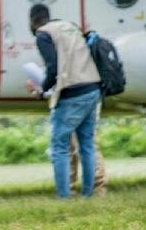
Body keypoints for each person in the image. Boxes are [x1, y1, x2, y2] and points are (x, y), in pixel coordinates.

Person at [24, 3, 101, 199]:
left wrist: (42, 89)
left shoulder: (43, 34)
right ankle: (88, 194)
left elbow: (53, 67)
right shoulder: (69, 26)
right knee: (87, 145)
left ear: (33, 21)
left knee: (59, 146)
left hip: (72, 94)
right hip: (93, 88)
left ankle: (64, 197)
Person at [24, 62, 107, 195]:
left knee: (83, 146)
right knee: (73, 147)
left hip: (77, 98)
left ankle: (95, 189)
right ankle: (73, 189)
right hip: (76, 97)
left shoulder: (67, 47)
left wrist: (41, 87)